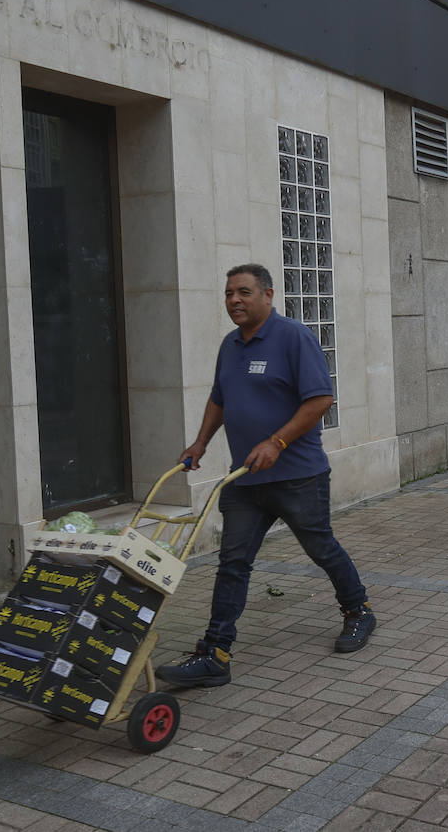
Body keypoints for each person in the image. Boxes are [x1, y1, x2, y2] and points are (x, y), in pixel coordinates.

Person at [157, 264, 374, 688]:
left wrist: (277, 442)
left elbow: (321, 400)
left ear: (268, 295)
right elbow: (219, 400)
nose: (234, 300)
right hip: (246, 480)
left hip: (298, 477)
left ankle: (358, 611)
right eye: (228, 294)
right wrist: (200, 442)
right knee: (233, 563)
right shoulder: (230, 346)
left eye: (243, 292)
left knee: (321, 548)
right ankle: (215, 653)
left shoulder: (293, 337)